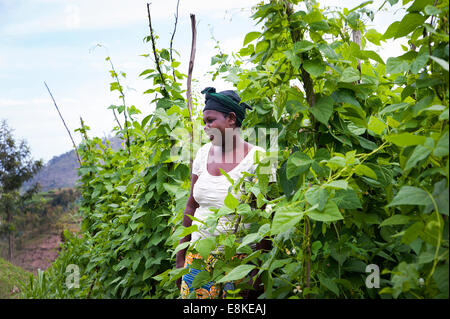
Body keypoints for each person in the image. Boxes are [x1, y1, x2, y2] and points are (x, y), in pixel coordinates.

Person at [175, 87, 276, 299]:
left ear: (231, 119)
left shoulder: (260, 158)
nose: (206, 127)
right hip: (198, 260)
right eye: (204, 122)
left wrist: (256, 270)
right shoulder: (202, 154)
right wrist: (181, 257)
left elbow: (267, 217)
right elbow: (191, 206)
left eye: (210, 121)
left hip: (239, 263)